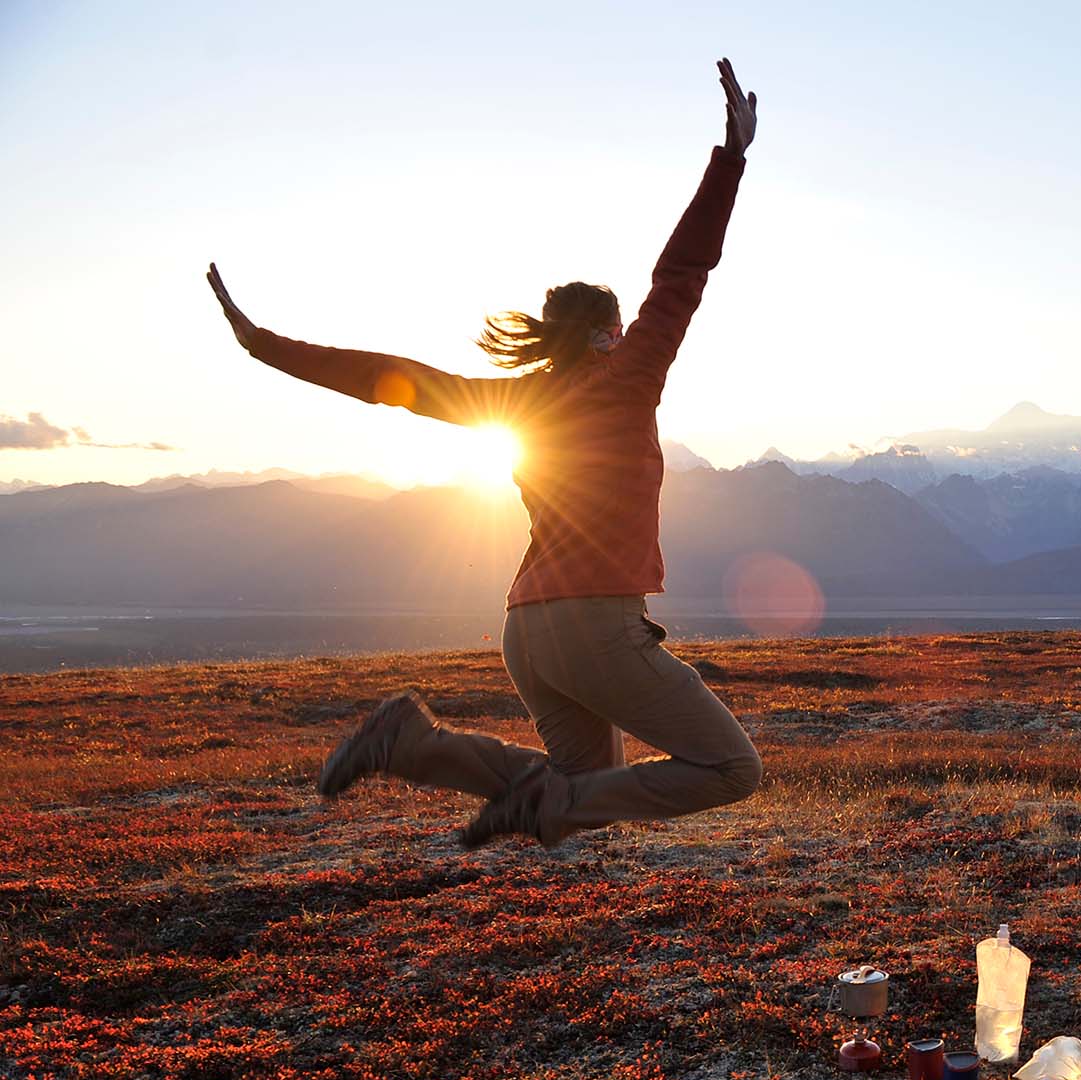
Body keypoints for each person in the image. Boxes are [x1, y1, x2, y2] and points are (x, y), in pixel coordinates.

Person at [206, 59, 765, 849]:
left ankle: (412, 742)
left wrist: (265, 347)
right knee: (730, 768)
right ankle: (542, 808)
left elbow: (387, 380)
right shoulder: (628, 374)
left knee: (580, 790)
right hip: (595, 625)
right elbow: (681, 274)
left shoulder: (517, 400)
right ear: (608, 331)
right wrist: (732, 157)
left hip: (526, 633)